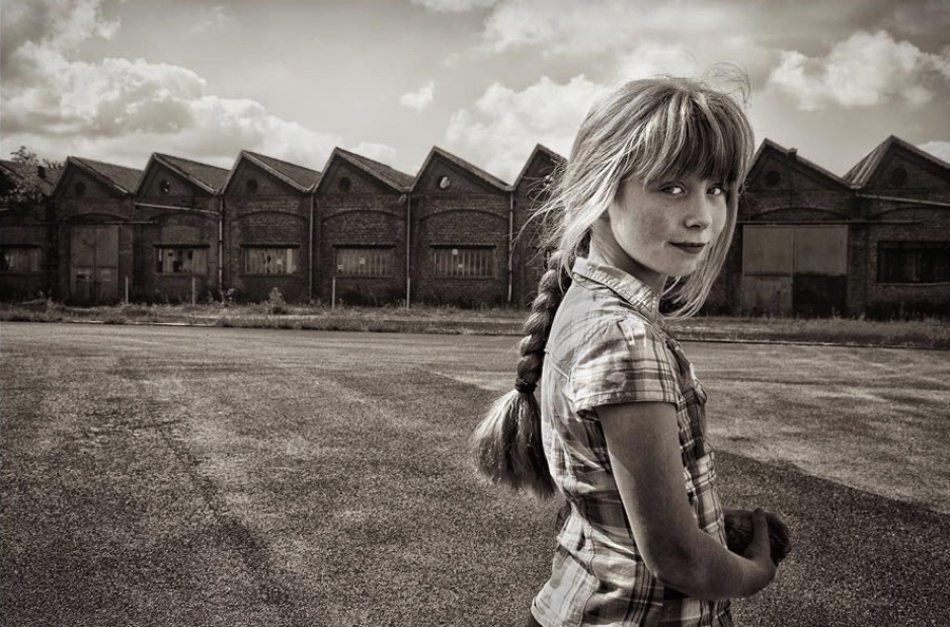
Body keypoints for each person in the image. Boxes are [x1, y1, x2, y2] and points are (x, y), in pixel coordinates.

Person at [472, 74, 790, 627]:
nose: (702, 216)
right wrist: (755, 571)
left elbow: (613, 504)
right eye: (672, 187)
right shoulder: (624, 335)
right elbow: (678, 558)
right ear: (599, 189)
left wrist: (714, 524)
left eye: (716, 188)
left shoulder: (584, 303)